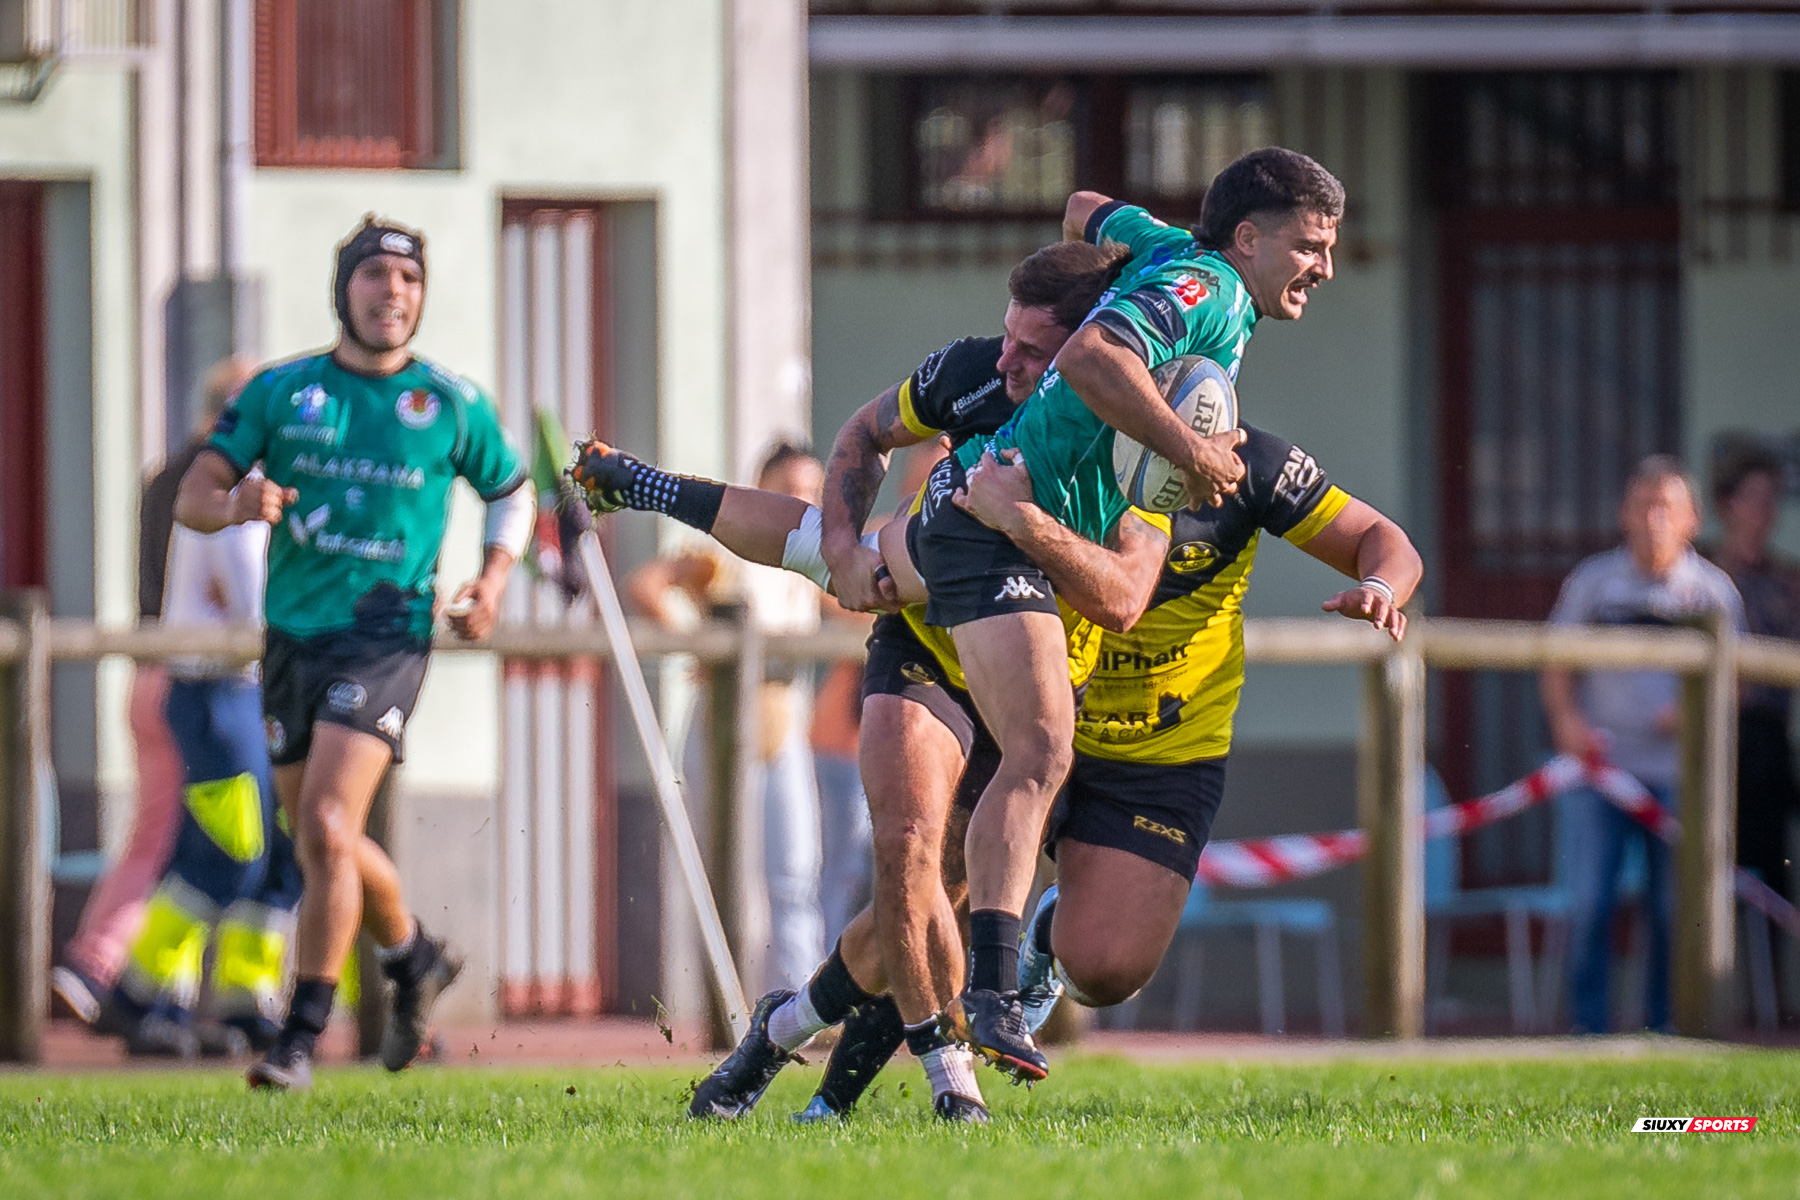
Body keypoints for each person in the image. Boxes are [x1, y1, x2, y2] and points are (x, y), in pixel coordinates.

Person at [573, 239, 1161, 1118]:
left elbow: (1122, 600)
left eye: (1033, 352)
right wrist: (847, 547)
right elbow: (842, 474)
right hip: (923, 653)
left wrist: (1024, 523)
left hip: (1034, 684)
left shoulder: (1138, 444)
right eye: (1008, 338)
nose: (1006, 363)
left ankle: (783, 1040)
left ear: (1095, 354)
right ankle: (950, 1080)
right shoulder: (971, 386)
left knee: (925, 914)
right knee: (907, 854)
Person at [866, 149, 1346, 1072]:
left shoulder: (1172, 250)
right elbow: (1091, 355)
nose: (1324, 266)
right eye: (1310, 246)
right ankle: (992, 998)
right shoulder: (1207, 284)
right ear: (1248, 239)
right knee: (1036, 752)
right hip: (992, 521)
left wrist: (1116, 252)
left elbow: (1085, 205)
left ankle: (852, 1024)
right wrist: (1191, 452)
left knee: (1027, 762)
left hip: (999, 512)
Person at [175, 216, 535, 1089]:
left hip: (388, 637)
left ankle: (298, 1041)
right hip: (293, 636)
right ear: (345, 290)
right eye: (375, 276)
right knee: (318, 840)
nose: (393, 293)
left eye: (408, 280)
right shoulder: (283, 392)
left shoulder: (449, 403)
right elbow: (195, 492)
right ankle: (413, 957)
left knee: (331, 827)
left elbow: (513, 492)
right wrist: (237, 504)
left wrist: (490, 584)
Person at [51, 359, 249, 1029]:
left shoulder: (164, 477)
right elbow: (235, 592)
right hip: (198, 675)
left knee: (162, 833)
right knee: (189, 841)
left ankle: (162, 989)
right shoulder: (225, 486)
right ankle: (102, 969)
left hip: (146, 670)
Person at [108, 445, 304, 1059]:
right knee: (228, 853)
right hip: (217, 689)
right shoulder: (235, 498)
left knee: (277, 857)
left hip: (253, 690)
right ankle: (139, 994)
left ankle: (246, 1001)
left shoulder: (271, 494)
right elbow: (253, 605)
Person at [1541, 455, 1745, 1034]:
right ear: (1623, 515)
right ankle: (1590, 1035)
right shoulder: (1592, 582)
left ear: (1692, 520)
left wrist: (1693, 711)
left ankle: (1668, 1031)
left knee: (1674, 912)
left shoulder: (1712, 592)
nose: (1655, 520)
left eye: (1668, 508)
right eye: (1643, 506)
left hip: (1680, 778)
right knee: (1589, 904)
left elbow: (1738, 680)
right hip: (1600, 773)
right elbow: (1556, 661)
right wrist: (1567, 722)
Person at [625, 441, 830, 992]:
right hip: (722, 727)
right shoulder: (728, 550)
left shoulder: (814, 559)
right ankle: (726, 1004)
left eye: (812, 491)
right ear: (762, 488)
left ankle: (801, 1002)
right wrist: (695, 645)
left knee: (796, 870)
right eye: (791, 490)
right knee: (727, 872)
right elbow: (645, 583)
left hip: (783, 725)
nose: (803, 502)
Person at [1704, 443, 1800, 1017]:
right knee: (1714, 875)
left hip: (1768, 742)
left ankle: (1774, 1007)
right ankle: (1713, 1005)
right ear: (1726, 505)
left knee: (1774, 874)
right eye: (1755, 498)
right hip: (1709, 744)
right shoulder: (1702, 572)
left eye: (1774, 499)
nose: (1766, 510)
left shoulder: (1789, 583)